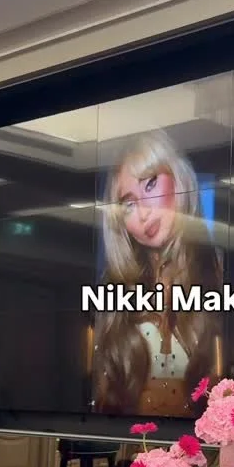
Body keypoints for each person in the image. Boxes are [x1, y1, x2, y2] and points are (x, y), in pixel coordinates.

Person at [94, 130, 222, 416]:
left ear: (179, 179)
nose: (143, 214)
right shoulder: (115, 291)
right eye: (128, 204)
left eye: (150, 185)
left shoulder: (218, 274)